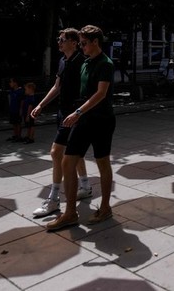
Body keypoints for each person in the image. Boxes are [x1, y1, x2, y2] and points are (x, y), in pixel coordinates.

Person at [46, 25, 115, 231]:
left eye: (84, 43)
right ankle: (70, 213)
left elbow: (100, 94)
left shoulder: (105, 64)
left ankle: (105, 208)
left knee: (102, 162)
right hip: (84, 119)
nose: (82, 47)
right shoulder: (85, 63)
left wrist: (77, 112)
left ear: (95, 42)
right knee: (67, 161)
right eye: (81, 43)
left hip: (101, 120)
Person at [30, 28, 91, 219]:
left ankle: (54, 198)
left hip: (75, 114)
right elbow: (57, 86)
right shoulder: (63, 61)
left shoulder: (83, 62)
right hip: (62, 113)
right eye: (58, 39)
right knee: (75, 153)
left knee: (56, 153)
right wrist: (41, 104)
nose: (59, 42)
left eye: (62, 39)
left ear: (74, 42)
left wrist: (80, 112)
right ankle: (85, 186)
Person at [6, 77, 24, 142]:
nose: (10, 83)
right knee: (13, 123)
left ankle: (19, 136)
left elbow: (22, 101)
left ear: (15, 83)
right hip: (12, 109)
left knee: (18, 123)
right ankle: (15, 135)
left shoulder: (20, 91)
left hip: (17, 109)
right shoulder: (12, 91)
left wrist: (21, 109)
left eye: (11, 82)